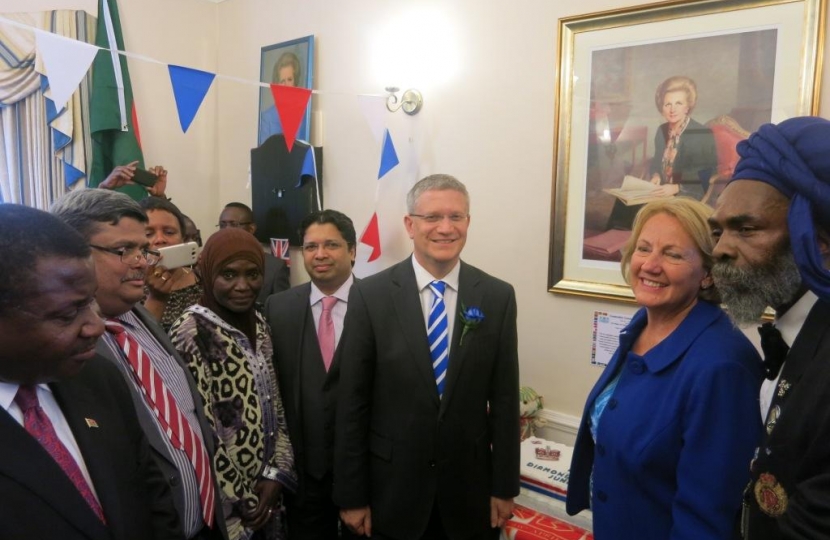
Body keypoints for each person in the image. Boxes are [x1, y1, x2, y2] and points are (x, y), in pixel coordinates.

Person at [333, 174, 520, 540]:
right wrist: (351, 495)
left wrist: (504, 486)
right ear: (410, 225)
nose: (445, 228)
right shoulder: (371, 297)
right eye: (433, 217)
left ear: (468, 222)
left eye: (457, 217)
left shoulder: (497, 297)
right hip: (391, 492)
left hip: (469, 495)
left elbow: (504, 400)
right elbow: (351, 405)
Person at [567, 197, 763, 539]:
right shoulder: (642, 325)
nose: (650, 265)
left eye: (673, 254)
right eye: (644, 248)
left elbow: (706, 518)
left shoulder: (723, 366)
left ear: (706, 274)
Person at [51, 189, 228, 540]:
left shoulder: (141, 315)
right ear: (72, 253)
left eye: (142, 249)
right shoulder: (65, 349)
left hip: (206, 524)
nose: (142, 262)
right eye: (123, 251)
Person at [0, 204, 182, 540]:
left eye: (91, 303)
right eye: (68, 314)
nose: (96, 327)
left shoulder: (100, 379)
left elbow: (155, 503)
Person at [708, 116, 830, 539]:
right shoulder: (797, 329)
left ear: (819, 237)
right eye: (718, 231)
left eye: (747, 228)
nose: (721, 249)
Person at [170, 228, 297, 540]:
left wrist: (276, 473)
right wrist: (245, 498)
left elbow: (277, 408)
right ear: (208, 272)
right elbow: (201, 435)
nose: (242, 286)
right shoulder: (191, 332)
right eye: (228, 274)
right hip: (227, 509)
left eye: (252, 274)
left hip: (269, 493)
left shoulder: (260, 325)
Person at [264, 210, 358, 539]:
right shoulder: (279, 307)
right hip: (303, 476)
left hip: (363, 474)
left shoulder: (379, 303)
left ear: (352, 251)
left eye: (331, 244)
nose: (320, 254)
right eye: (310, 246)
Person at [607, 75, 717, 230]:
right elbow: (657, 161)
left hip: (689, 191)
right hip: (662, 188)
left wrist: (677, 188)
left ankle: (632, 242)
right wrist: (656, 175)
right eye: (667, 104)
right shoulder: (662, 130)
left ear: (688, 106)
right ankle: (614, 243)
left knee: (643, 208)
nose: (672, 109)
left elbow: (704, 172)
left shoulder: (700, 133)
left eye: (678, 103)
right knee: (625, 200)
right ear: (662, 107)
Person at [141, 197, 202, 332]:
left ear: (183, 238)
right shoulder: (130, 288)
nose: (160, 239)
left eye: (169, 232)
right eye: (148, 233)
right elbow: (138, 343)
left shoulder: (203, 281)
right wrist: (156, 299)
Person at [219, 203, 291, 306]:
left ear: (251, 229)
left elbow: (281, 311)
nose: (226, 230)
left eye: (234, 224)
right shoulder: (213, 262)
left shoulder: (274, 267)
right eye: (222, 225)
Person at [259, 51, 308, 145]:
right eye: (282, 81)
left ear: (295, 81)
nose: (286, 86)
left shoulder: (305, 114)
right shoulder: (267, 117)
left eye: (289, 79)